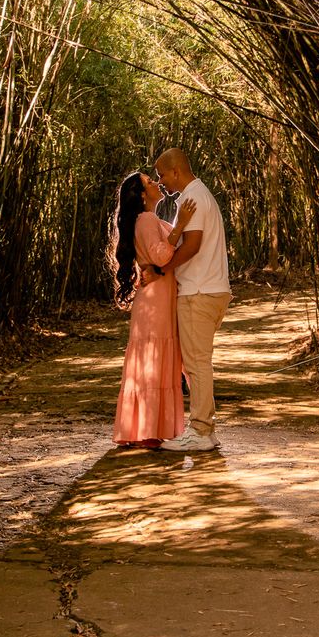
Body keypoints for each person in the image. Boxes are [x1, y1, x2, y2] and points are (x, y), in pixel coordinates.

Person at [145, 147, 231, 452]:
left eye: (162, 175)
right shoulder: (200, 194)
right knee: (197, 361)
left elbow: (192, 245)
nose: (160, 182)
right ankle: (206, 429)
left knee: (197, 363)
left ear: (176, 171)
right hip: (210, 289)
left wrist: (162, 269)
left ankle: (201, 430)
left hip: (199, 291)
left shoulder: (191, 198)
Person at [110, 171, 197, 447]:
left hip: (156, 297)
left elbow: (163, 255)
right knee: (154, 363)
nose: (156, 183)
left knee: (153, 361)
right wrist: (182, 224)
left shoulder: (149, 220)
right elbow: (161, 254)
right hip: (155, 302)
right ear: (142, 194)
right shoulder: (146, 219)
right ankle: (149, 431)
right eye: (150, 182)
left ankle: (144, 429)